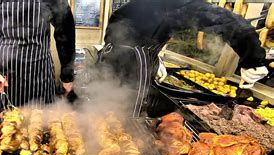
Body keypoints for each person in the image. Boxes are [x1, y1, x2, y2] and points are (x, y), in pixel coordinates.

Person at [99, 0, 268, 117]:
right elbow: (228, 21)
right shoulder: (178, 3)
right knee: (125, 113)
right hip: (133, 61)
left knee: (105, 104)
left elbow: (122, 28)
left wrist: (150, 55)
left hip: (112, 55)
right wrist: (253, 60)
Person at [0, 0, 76, 110]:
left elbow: (66, 30)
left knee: (42, 124)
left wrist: (67, 76)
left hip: (41, 75)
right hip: (2, 79)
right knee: (5, 125)